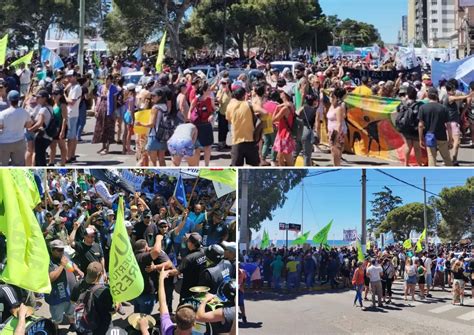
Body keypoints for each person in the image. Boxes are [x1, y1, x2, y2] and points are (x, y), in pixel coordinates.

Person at [70, 262, 115, 335]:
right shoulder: (105, 291)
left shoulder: (78, 284)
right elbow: (112, 311)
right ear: (100, 274)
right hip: (100, 328)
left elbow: (72, 302)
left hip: (82, 326)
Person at [133, 236, 174, 314]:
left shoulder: (133, 257)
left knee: (137, 315)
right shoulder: (142, 257)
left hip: (137, 292)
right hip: (146, 294)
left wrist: (155, 267)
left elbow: (168, 263)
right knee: (145, 318)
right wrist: (158, 238)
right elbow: (156, 251)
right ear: (145, 248)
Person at [46, 240, 79, 332]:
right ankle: (56, 330)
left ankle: (72, 324)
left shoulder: (64, 255)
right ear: (52, 250)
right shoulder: (47, 261)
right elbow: (51, 278)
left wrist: (77, 270)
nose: (62, 252)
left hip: (69, 291)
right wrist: (61, 265)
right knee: (57, 316)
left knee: (71, 311)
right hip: (57, 295)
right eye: (59, 250)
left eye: (62, 249)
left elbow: (71, 264)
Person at [418, 87, 453, 166]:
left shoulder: (423, 108)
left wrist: (420, 138)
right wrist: (450, 139)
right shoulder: (443, 108)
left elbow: (420, 125)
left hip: (429, 136)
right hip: (442, 136)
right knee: (447, 158)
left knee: (431, 158)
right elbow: (448, 126)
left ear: (428, 95)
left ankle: (431, 176)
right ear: (437, 95)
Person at [225, 86, 260, 166]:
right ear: (244, 95)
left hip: (237, 140)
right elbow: (264, 112)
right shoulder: (249, 104)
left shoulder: (230, 106)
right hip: (250, 138)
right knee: (255, 165)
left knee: (235, 166)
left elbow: (228, 119)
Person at [158, 268, 196, 335]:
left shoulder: (167, 329)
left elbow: (163, 303)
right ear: (194, 324)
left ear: (175, 319)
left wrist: (161, 279)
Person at [0, 90, 32, 166]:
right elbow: (28, 125)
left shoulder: (3, 114)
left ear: (9, 100)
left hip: (4, 142)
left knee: (2, 165)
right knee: (19, 165)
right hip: (19, 141)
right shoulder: (24, 112)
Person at [396, 85, 423, 166]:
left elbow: (397, 110)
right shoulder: (419, 105)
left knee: (408, 146)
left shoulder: (403, 104)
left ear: (407, 94)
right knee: (417, 148)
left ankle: (406, 163)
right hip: (415, 128)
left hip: (405, 128)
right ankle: (419, 164)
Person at [28, 89, 54, 166]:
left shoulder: (43, 109)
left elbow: (39, 123)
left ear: (44, 98)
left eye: (39, 97)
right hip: (48, 136)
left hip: (42, 136)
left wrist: (30, 129)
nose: (36, 99)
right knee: (40, 157)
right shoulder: (50, 107)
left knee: (40, 159)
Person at [92, 74, 116, 155]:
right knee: (101, 127)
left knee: (108, 128)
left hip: (109, 110)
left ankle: (107, 147)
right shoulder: (101, 87)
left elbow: (114, 100)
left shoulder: (113, 88)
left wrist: (114, 111)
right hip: (101, 108)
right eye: (105, 78)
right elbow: (98, 99)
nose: (106, 80)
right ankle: (103, 146)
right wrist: (96, 109)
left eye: (108, 79)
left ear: (111, 80)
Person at [272, 85, 296, 166]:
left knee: (287, 158)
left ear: (285, 95)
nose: (280, 93)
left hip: (284, 134)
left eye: (282, 92)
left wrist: (276, 108)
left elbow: (273, 119)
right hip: (284, 133)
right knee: (280, 156)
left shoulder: (284, 108)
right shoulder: (291, 105)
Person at [64, 70, 82, 163]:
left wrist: (64, 97)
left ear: (75, 77)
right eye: (68, 77)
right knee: (73, 136)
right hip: (72, 113)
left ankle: (68, 156)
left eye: (70, 76)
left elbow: (72, 101)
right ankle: (72, 155)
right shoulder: (72, 86)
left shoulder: (76, 88)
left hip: (72, 113)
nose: (68, 78)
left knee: (70, 137)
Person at [327, 87, 347, 166]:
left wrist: (336, 136)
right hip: (330, 131)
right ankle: (335, 165)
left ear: (336, 98)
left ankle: (337, 165)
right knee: (332, 151)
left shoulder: (339, 108)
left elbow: (339, 123)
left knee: (336, 152)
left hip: (337, 132)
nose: (331, 98)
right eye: (330, 96)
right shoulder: (331, 107)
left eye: (333, 97)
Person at [49, 88, 68, 166]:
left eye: (55, 94)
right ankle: (51, 162)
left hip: (60, 127)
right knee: (52, 146)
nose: (53, 96)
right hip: (53, 128)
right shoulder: (53, 104)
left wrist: (62, 131)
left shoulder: (62, 105)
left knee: (62, 146)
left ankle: (63, 162)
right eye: (53, 94)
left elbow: (64, 118)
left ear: (60, 95)